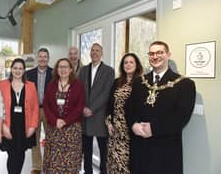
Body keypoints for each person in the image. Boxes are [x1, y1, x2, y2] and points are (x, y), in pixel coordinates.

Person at [126, 41, 196, 174]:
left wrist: (153, 129)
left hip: (165, 149)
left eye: (160, 52)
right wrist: (133, 125)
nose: (155, 56)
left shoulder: (184, 84)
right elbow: (129, 108)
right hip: (140, 147)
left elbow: (182, 117)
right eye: (151, 53)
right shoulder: (139, 82)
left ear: (168, 55)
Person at [43, 58, 85, 174]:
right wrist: (55, 120)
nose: (63, 69)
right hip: (54, 129)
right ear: (56, 69)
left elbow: (79, 107)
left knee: (70, 162)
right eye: (60, 67)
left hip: (72, 131)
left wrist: (65, 121)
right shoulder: (51, 85)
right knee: (54, 162)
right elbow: (46, 106)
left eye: (65, 67)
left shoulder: (78, 86)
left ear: (71, 69)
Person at [0, 58, 39, 174]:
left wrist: (33, 126)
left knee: (20, 153)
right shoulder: (2, 85)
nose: (17, 71)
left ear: (24, 70)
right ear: (11, 69)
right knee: (12, 154)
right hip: (8, 125)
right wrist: (3, 127)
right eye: (15, 68)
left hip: (24, 126)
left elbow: (35, 107)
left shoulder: (31, 86)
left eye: (20, 68)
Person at [78, 43, 114, 174]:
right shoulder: (83, 70)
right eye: (92, 50)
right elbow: (79, 91)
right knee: (86, 151)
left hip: (99, 116)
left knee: (103, 151)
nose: (94, 53)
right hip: (84, 117)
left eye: (97, 50)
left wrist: (91, 109)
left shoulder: (109, 71)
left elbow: (106, 93)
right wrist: (82, 107)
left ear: (101, 53)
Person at [105, 53, 143, 174]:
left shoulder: (142, 83)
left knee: (127, 162)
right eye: (125, 62)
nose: (128, 65)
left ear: (137, 65)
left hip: (130, 129)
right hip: (115, 129)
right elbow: (109, 104)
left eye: (131, 62)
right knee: (113, 160)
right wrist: (109, 123)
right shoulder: (117, 82)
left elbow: (142, 107)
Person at [26, 48, 53, 174]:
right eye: (40, 56)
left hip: (49, 110)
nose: (43, 59)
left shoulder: (54, 73)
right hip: (34, 110)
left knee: (50, 138)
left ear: (48, 58)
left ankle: (48, 164)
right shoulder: (29, 73)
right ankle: (37, 166)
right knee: (34, 139)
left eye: (45, 56)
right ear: (37, 58)